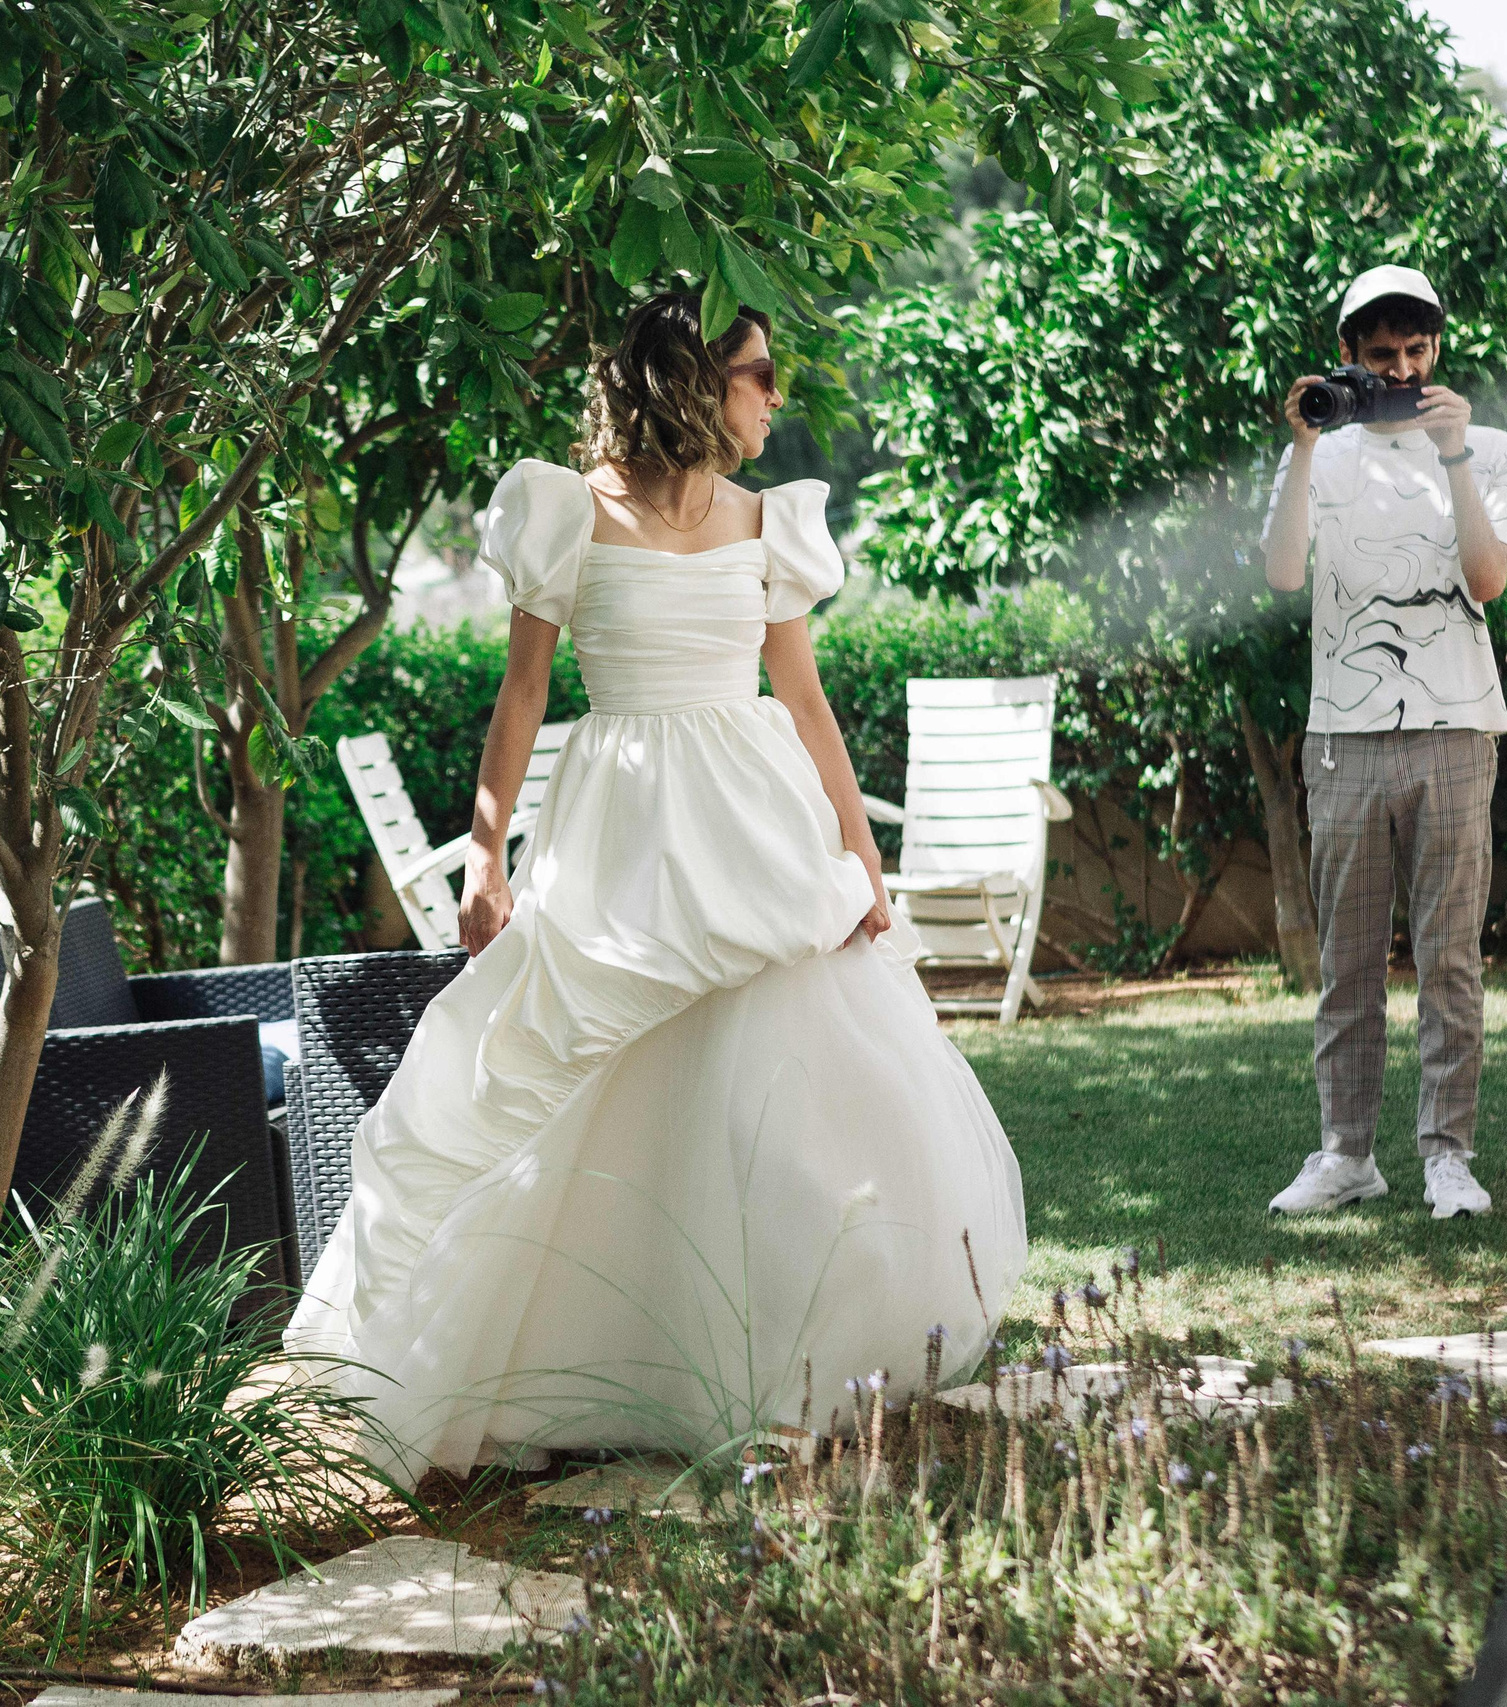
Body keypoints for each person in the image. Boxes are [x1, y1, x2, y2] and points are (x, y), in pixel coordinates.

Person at [285, 292, 1027, 1481]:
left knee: (776, 1103)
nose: (774, 397)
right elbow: (521, 696)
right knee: (580, 1087)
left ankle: (782, 1373)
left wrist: (860, 850)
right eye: (756, 375)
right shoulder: (564, 512)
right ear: (690, 382)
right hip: (621, 829)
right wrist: (486, 864)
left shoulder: (768, 523)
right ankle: (550, 1369)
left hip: (753, 823)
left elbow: (804, 697)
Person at [1260, 264, 1507, 1221]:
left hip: (1458, 725)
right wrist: (1300, 449)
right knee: (1349, 958)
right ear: (1349, 357)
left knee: (1450, 957)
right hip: (1343, 732)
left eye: (1419, 352)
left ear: (1438, 349)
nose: (1405, 372)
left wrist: (1453, 457)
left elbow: (1489, 582)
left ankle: (1447, 1157)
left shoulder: (1489, 448)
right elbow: (1285, 573)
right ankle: (1346, 1154)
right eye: (1383, 356)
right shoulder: (1321, 453)